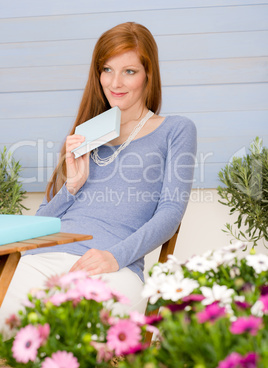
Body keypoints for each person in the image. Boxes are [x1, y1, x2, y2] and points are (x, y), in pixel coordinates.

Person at [0, 22, 197, 335]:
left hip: (115, 266)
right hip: (46, 258)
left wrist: (114, 257)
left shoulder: (176, 129)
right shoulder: (87, 133)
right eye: (107, 69)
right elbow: (41, 224)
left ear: (149, 74)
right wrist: (72, 187)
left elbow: (171, 213)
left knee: (81, 334)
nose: (115, 82)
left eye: (129, 71)